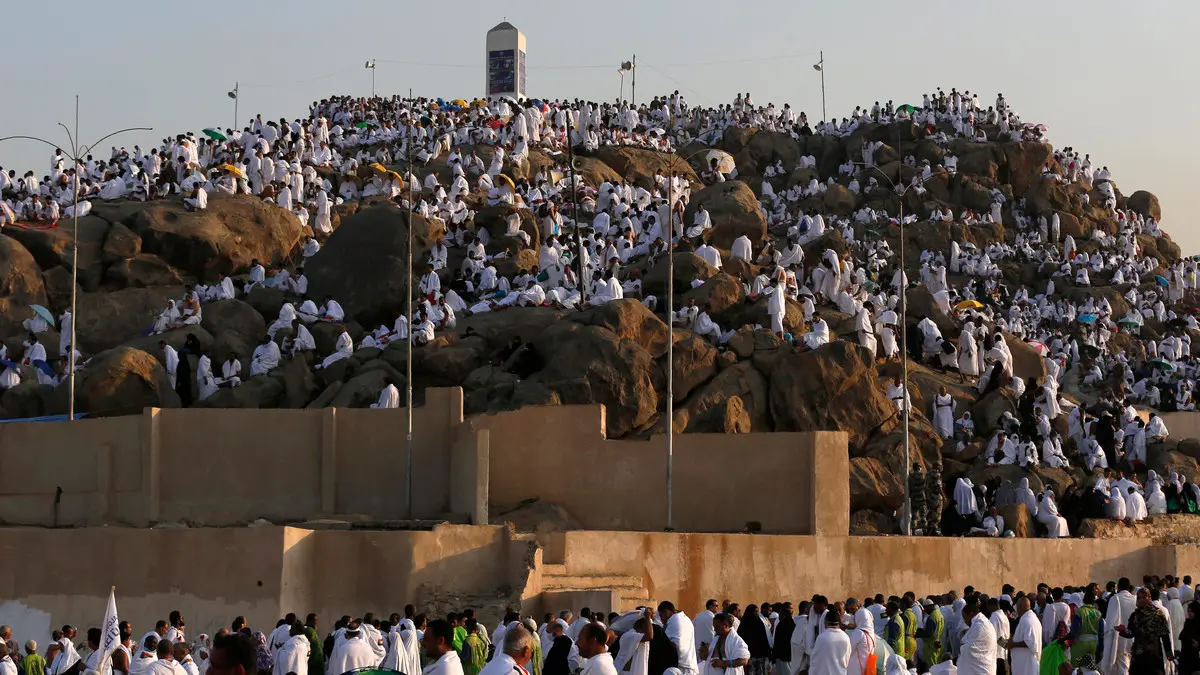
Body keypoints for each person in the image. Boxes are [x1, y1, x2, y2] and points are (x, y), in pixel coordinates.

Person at [1116, 588, 1173, 675]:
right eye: (1139, 598)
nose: (1141, 600)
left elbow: (1165, 636)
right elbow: (1131, 634)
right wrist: (1123, 630)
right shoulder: (1135, 615)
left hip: (1154, 656)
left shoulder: (1158, 614)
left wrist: (1169, 653)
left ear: (1149, 598)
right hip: (1138, 656)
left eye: (1144, 597)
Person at [955, 601, 996, 675]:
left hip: (981, 669)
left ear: (971, 614)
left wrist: (962, 648)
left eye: (965, 618)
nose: (965, 621)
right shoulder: (978, 623)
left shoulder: (980, 625)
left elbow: (970, 648)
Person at [659, 601, 699, 675]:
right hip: (690, 665)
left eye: (661, 616)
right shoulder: (686, 619)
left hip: (680, 667)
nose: (661, 620)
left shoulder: (674, 620)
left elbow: (673, 646)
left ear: (666, 611)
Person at [808, 608, 849, 675]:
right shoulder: (845, 637)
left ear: (825, 621)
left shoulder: (822, 637)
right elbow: (847, 658)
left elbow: (815, 659)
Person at [1008, 597, 1041, 675]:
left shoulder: (1027, 620)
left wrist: (1013, 644)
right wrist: (1013, 639)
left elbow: (1030, 642)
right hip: (1024, 663)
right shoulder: (1029, 618)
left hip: (1026, 665)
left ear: (1019, 608)